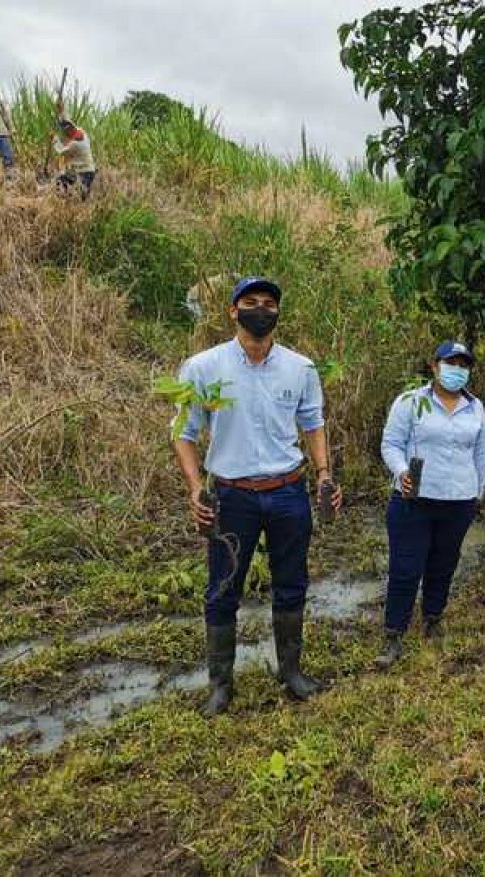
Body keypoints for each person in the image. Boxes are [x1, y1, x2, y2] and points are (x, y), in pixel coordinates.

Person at [172, 276, 342, 717]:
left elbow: (313, 423)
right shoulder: (203, 368)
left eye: (269, 303)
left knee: (292, 584)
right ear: (233, 310)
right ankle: (220, 684)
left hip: (288, 492)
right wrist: (195, 488)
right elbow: (185, 434)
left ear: (278, 312)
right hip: (231, 497)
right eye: (250, 302)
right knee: (223, 588)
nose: (260, 310)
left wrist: (324, 474)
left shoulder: (300, 368)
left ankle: (291, 672)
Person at [375, 341, 485, 668]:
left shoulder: (475, 407)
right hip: (414, 500)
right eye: (450, 363)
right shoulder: (411, 401)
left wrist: (477, 492)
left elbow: (480, 453)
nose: (457, 370)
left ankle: (433, 618)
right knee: (406, 568)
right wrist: (401, 472)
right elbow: (391, 444)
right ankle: (394, 634)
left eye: (463, 365)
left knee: (443, 563)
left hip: (459, 500)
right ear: (435, 365)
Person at [52, 116, 97, 200]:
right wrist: (61, 120)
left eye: (66, 132)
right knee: (64, 181)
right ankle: (66, 200)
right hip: (88, 170)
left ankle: (65, 200)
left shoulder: (75, 144)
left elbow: (61, 151)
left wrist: (54, 140)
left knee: (82, 194)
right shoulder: (82, 132)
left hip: (84, 171)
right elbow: (70, 124)